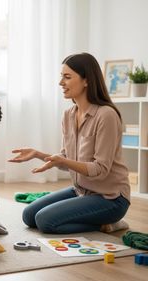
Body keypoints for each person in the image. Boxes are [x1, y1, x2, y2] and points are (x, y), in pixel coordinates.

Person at [9, 52, 130, 234]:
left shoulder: (106, 115)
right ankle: (97, 220)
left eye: (67, 77)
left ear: (86, 80)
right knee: (29, 215)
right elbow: (66, 160)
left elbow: (100, 169)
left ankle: (108, 223)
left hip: (110, 198)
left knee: (44, 221)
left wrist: (63, 161)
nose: (60, 83)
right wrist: (38, 154)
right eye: (61, 77)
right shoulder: (69, 115)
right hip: (81, 190)